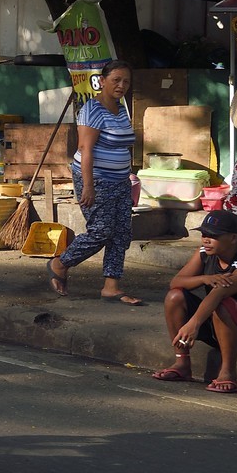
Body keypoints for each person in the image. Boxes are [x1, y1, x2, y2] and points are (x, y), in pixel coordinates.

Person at [48, 60, 142, 304]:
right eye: (116, 80)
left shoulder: (120, 109)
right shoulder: (92, 110)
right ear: (102, 81)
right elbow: (85, 149)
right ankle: (60, 263)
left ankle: (111, 286)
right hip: (96, 179)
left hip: (121, 181)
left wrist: (129, 175)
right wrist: (88, 186)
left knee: (121, 233)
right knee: (101, 231)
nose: (121, 85)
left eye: (126, 81)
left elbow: (121, 145)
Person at [152, 210, 237, 392]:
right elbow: (176, 282)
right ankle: (182, 363)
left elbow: (218, 294)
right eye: (204, 234)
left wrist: (193, 324)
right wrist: (204, 279)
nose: (206, 240)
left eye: (214, 236)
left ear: (233, 238)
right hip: (217, 325)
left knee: (222, 302)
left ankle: (227, 373)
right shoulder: (204, 252)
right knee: (175, 296)